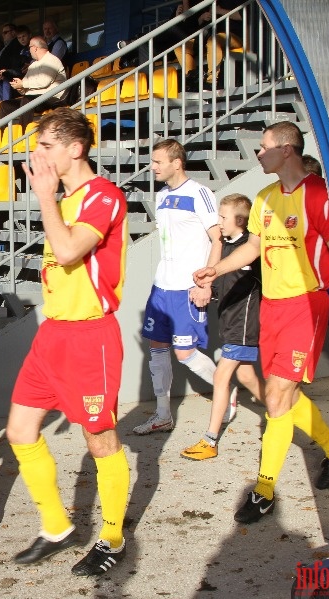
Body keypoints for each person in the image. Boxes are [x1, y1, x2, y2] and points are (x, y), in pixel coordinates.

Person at [193, 121, 329, 524]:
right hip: (271, 307)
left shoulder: (321, 195)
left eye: (263, 148)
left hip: (304, 305)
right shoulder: (264, 197)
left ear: (287, 150)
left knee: (276, 397)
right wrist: (216, 270)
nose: (258, 154)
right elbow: (254, 247)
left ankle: (263, 490)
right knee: (284, 396)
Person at [6, 108, 131, 577]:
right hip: (53, 333)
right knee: (20, 431)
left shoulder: (104, 195)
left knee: (100, 440)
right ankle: (57, 527)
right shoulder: (64, 199)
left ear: (75, 148)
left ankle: (113, 537)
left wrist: (45, 198)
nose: (36, 155)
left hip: (89, 334)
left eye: (45, 146)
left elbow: (67, 251)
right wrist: (51, 199)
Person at [133, 139, 222, 435]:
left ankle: (227, 394)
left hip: (188, 287)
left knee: (185, 354)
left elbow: (217, 239)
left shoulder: (199, 193)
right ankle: (162, 415)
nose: (153, 167)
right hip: (162, 287)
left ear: (176, 163)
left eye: (158, 162)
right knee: (157, 348)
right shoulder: (160, 196)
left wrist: (207, 282)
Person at [181, 193, 264, 460]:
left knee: (221, 377)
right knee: (248, 377)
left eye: (223, 217)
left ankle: (210, 440)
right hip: (230, 322)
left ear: (240, 220)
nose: (219, 221)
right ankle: (281, 410)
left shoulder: (250, 248)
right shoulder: (226, 246)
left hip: (243, 324)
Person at [0, 36, 67, 131]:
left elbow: (44, 81)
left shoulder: (51, 60)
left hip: (52, 97)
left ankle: (23, 134)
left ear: (35, 48)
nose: (29, 50)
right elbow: (27, 87)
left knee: (27, 100)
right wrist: (20, 87)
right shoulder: (33, 65)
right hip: (33, 98)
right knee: (5, 105)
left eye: (30, 47)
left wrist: (23, 84)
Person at [0, 23, 24, 104]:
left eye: (5, 32)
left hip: (12, 76)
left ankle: (6, 108)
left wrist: (5, 72)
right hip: (1, 76)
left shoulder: (16, 44)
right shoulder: (4, 47)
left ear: (13, 33)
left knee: (6, 82)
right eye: (2, 33)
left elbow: (15, 63)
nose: (3, 35)